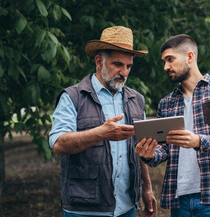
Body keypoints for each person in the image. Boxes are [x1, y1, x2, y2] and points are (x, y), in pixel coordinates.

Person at [49, 26, 157, 217]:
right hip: (83, 209)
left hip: (126, 207)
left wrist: (146, 189)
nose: (124, 72)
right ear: (99, 61)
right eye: (117, 64)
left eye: (128, 66)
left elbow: (140, 149)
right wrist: (101, 133)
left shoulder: (137, 99)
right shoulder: (73, 96)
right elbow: (58, 144)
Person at [135, 34, 210, 216]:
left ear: (190, 57)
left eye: (170, 59)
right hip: (180, 200)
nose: (165, 67)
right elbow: (165, 150)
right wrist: (150, 154)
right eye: (164, 61)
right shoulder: (166, 103)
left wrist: (199, 141)